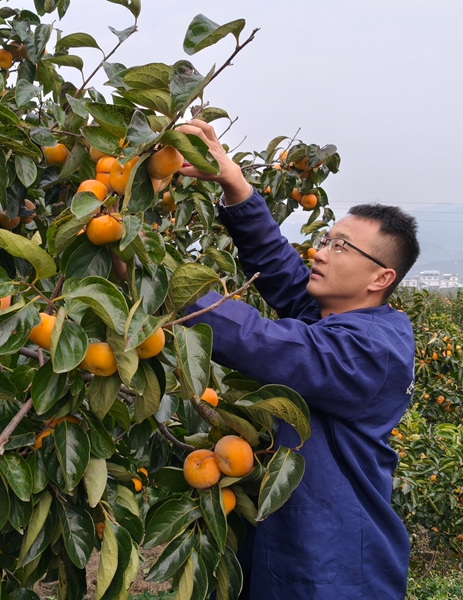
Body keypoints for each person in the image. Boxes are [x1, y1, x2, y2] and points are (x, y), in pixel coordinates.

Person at [176, 120, 420, 600]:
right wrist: (234, 183)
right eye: (326, 239)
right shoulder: (342, 317)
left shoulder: (372, 352)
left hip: (337, 559)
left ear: (380, 278)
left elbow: (265, 344)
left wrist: (159, 285)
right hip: (296, 537)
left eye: (340, 247)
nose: (320, 250)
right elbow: (283, 271)